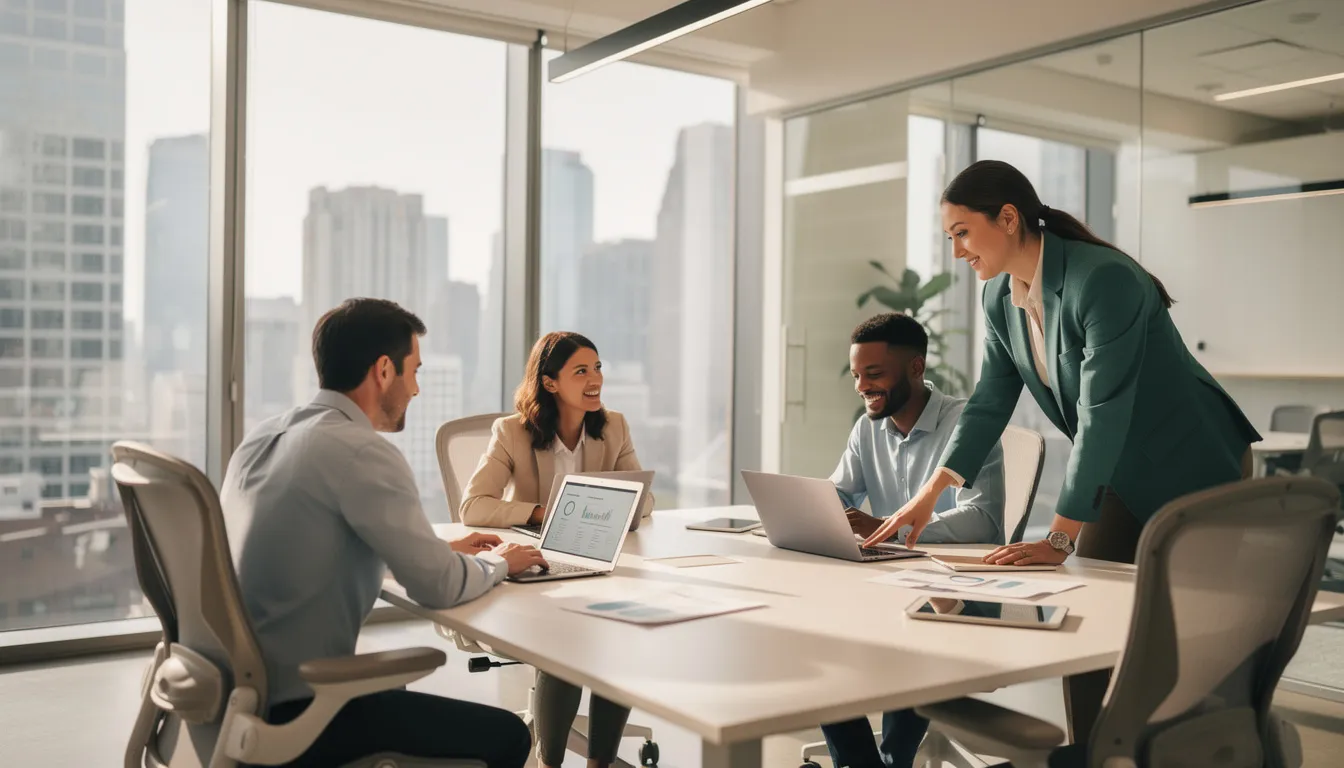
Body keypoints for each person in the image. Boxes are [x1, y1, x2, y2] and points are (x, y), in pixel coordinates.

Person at [863, 159, 1261, 741]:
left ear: (1007, 218)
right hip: (1121, 469)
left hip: (1198, 465)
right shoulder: (1000, 296)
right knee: (1089, 619)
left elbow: (1103, 412)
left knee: (1194, 642)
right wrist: (932, 492)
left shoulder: (1104, 280)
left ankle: (1209, 749)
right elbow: (991, 400)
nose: (957, 253)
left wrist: (1060, 534)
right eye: (950, 238)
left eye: (962, 234)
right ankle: (1093, 753)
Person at [223, 298, 547, 768]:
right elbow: (439, 588)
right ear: (383, 370)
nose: (416, 389)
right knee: (510, 736)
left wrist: (437, 549)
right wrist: (501, 562)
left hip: (236, 694)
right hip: (304, 710)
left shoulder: (266, 436)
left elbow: (317, 544)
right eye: (413, 371)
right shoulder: (360, 451)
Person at [821, 312, 1006, 768]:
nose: (862, 385)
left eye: (875, 374)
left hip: (956, 594)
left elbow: (983, 519)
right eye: (857, 375)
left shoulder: (967, 425)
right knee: (818, 642)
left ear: (916, 369)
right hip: (887, 584)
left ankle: (886, 759)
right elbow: (838, 494)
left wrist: (887, 526)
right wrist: (820, 512)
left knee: (912, 634)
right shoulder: (868, 428)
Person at [461, 331, 649, 768]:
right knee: (566, 639)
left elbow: (645, 496)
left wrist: (612, 506)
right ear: (549, 383)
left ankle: (600, 762)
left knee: (615, 631)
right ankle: (549, 763)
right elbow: (474, 506)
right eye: (580, 370)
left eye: (598, 367)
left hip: (599, 560)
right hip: (538, 568)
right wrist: (543, 512)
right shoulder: (511, 432)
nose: (594, 379)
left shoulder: (613, 425)